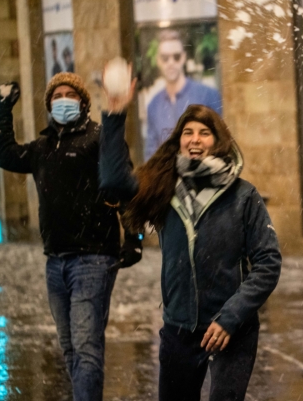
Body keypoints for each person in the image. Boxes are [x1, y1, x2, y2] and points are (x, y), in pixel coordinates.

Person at [99, 61, 281, 401]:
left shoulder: (243, 196)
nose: (195, 139)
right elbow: (112, 182)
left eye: (204, 132)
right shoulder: (163, 187)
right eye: (188, 132)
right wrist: (114, 115)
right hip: (179, 330)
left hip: (231, 331)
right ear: (179, 141)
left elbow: (268, 262)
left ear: (217, 141)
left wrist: (231, 318)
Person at [0, 74, 142, 401]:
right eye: (57, 94)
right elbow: (5, 155)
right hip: (55, 260)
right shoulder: (43, 147)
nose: (63, 99)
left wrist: (134, 236)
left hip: (94, 257)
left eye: (70, 94)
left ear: (83, 102)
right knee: (71, 348)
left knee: (87, 347)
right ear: (48, 105)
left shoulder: (98, 139)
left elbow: (122, 185)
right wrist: (2, 108)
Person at [145, 29, 223, 160]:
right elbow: (151, 154)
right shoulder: (154, 105)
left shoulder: (207, 95)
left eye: (176, 57)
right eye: (165, 58)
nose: (171, 63)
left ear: (183, 58)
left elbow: (221, 144)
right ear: (158, 60)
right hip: (167, 178)